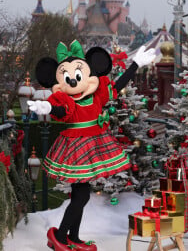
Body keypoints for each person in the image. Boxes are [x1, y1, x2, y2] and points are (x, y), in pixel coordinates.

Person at [28, 40, 156, 251]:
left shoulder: (96, 94)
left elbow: (116, 87)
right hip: (77, 148)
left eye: (77, 76)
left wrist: (134, 65)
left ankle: (73, 238)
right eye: (67, 78)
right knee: (81, 196)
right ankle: (59, 237)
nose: (72, 80)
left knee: (82, 195)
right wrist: (48, 106)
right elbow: (62, 111)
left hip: (93, 143)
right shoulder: (64, 99)